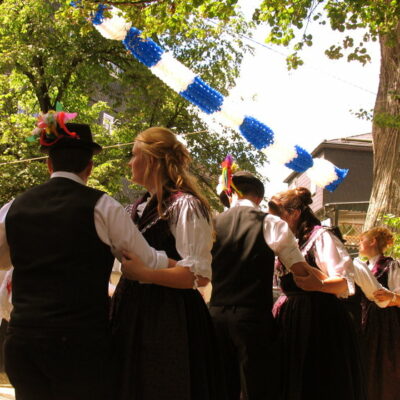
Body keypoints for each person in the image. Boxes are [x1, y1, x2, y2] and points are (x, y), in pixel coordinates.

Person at [0, 112, 172, 400]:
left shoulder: (14, 207)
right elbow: (144, 258)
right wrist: (180, 265)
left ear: (48, 164)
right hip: (79, 342)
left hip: (23, 338)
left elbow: (3, 261)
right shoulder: (103, 206)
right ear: (89, 167)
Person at [110, 127, 226, 400]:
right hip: (131, 312)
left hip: (169, 317)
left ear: (151, 159)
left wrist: (145, 273)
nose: (130, 162)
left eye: (134, 155)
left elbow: (197, 277)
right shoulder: (135, 209)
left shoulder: (184, 205)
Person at [209, 172, 323, 400]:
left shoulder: (211, 223)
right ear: (259, 197)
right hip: (252, 316)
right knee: (257, 386)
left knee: (220, 385)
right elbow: (299, 270)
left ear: (229, 193)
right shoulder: (270, 222)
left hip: (215, 315)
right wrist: (320, 280)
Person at [268, 187, 366, 400]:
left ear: (294, 214)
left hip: (319, 320)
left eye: (277, 217)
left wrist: (318, 285)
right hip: (289, 317)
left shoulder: (320, 237)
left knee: (318, 379)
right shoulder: (285, 242)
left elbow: (344, 283)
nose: (273, 223)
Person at [357, 227, 400, 400]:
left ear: (373, 241)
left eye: (362, 240)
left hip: (386, 325)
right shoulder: (362, 267)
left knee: (384, 368)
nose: (359, 243)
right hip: (364, 319)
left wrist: (392, 296)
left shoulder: (391, 265)